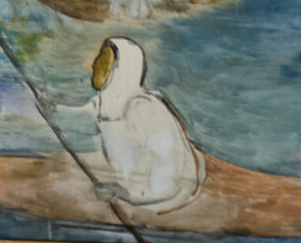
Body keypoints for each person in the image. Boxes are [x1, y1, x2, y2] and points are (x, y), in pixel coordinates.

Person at [48, 36, 204, 209]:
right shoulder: (106, 102)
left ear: (121, 69)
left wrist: (129, 195)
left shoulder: (141, 107)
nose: (94, 65)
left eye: (104, 61)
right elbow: (79, 113)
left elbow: (168, 162)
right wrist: (53, 108)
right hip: (131, 192)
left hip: (162, 197)